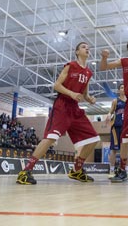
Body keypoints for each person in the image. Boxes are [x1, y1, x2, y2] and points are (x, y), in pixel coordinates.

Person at [16, 42, 99, 185]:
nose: (87, 48)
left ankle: (77, 170)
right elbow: (57, 86)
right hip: (62, 105)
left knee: (93, 139)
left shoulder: (88, 73)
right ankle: (25, 171)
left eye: (88, 47)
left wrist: (89, 98)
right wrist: (71, 93)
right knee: (51, 138)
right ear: (77, 51)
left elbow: (84, 93)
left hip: (75, 109)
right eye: (84, 47)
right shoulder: (70, 66)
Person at [100, 37, 128, 183]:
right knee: (125, 138)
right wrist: (104, 57)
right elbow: (103, 67)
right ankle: (123, 168)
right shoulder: (124, 61)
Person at [106, 84, 127, 174]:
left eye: (125, 87)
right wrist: (108, 115)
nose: (124, 89)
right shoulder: (115, 101)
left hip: (126, 127)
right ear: (119, 90)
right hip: (116, 127)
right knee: (114, 149)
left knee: (126, 150)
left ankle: (126, 169)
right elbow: (110, 112)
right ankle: (111, 170)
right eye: (122, 87)